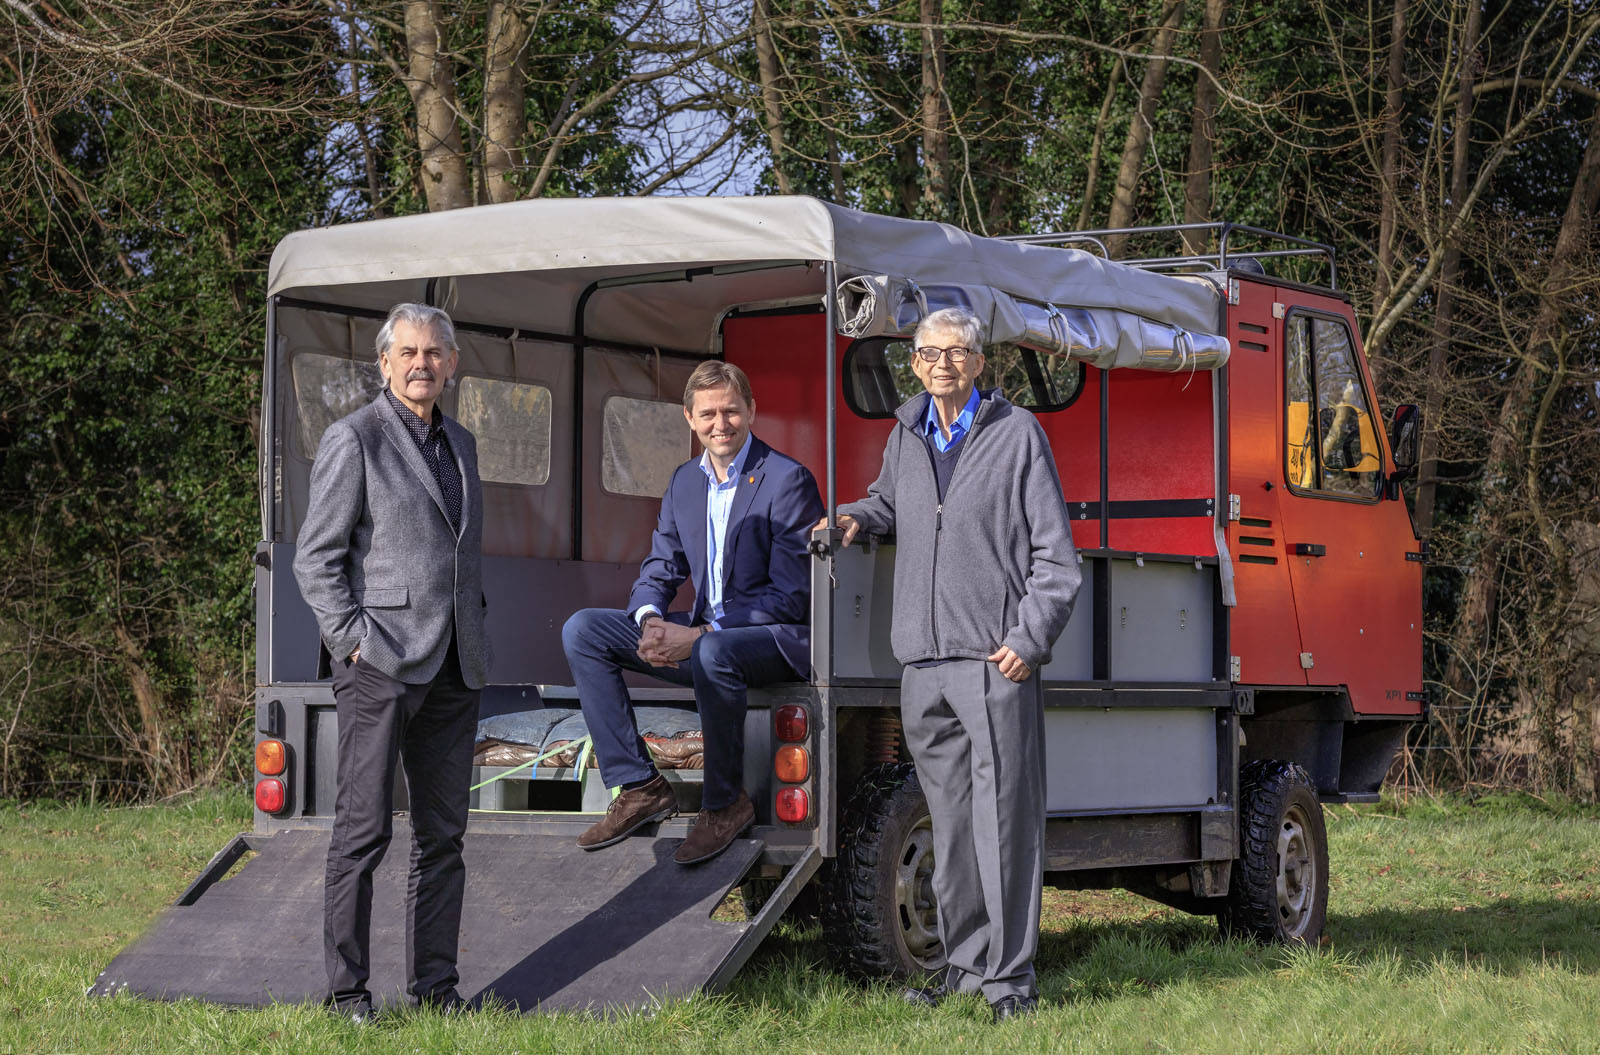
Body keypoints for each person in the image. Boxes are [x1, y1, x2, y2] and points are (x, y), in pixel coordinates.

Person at [830, 307, 1080, 1023]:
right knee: (951, 823)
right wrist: (855, 517)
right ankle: (965, 969)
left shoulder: (1017, 434)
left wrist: (1027, 640)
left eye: (957, 351)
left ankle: (1010, 981)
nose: (943, 362)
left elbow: (1056, 562)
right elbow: (890, 504)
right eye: (929, 352)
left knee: (1006, 823)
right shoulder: (906, 434)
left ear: (978, 362)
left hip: (993, 663)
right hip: (922, 664)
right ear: (913, 363)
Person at [293, 302, 491, 1023]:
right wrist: (352, 639)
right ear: (383, 363)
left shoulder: (463, 443)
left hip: (454, 665)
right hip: (377, 661)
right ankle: (347, 993)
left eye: (434, 352)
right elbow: (316, 560)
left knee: (444, 838)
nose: (421, 364)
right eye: (406, 352)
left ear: (452, 362)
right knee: (364, 830)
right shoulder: (355, 438)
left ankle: (436, 991)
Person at [562, 360, 823, 866]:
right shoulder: (685, 481)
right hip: (708, 639)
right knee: (585, 630)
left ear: (751, 410)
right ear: (689, 417)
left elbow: (792, 598)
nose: (719, 424)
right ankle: (639, 786)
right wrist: (649, 622)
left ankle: (725, 805)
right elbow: (661, 565)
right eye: (708, 413)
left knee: (712, 648)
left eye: (731, 411)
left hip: (775, 640)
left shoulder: (787, 480)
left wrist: (703, 631)